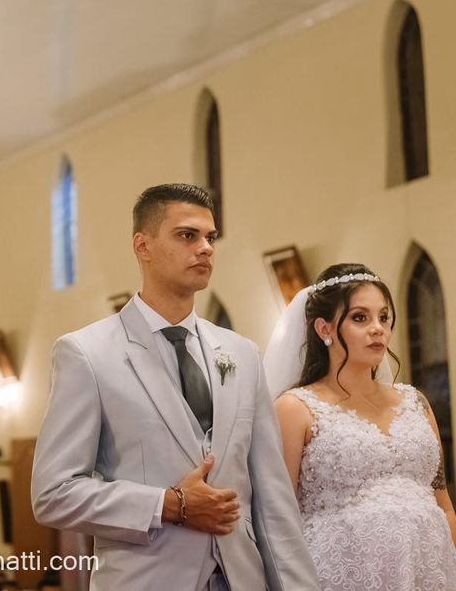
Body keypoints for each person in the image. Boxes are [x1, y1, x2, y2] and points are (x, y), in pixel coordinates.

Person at [31, 183, 318, 591]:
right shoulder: (87, 354)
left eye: (210, 237)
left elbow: (273, 498)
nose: (205, 248)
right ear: (142, 246)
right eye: (187, 235)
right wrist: (167, 505)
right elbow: (53, 494)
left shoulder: (242, 353)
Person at [268, 263, 456, 591]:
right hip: (341, 576)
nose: (377, 329)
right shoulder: (296, 408)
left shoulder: (415, 403)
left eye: (383, 317)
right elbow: (279, 518)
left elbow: (444, 505)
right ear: (324, 328)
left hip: (430, 571)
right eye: (360, 317)